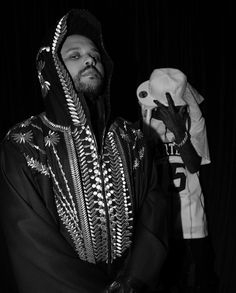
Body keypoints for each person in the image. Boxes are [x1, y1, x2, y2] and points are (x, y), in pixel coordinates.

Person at [0, 9, 168, 293]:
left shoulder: (132, 138)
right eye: (74, 56)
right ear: (51, 68)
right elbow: (31, 244)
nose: (90, 59)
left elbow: (154, 215)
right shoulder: (25, 143)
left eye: (95, 55)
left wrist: (132, 282)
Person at [137, 68, 217, 292]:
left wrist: (179, 131)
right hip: (157, 227)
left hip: (192, 228)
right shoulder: (147, 125)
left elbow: (193, 165)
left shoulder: (194, 123)